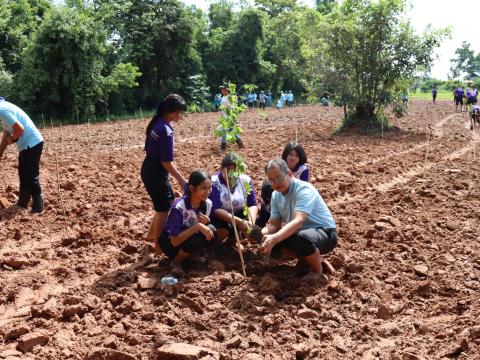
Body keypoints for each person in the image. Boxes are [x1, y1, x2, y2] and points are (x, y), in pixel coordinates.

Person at [258, 159, 337, 280]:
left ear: (289, 174)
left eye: (279, 178)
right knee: (275, 244)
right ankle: (310, 260)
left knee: (301, 239)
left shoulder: (304, 189)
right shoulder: (275, 195)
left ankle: (317, 270)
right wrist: (258, 233)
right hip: (299, 232)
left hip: (325, 233)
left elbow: (299, 220)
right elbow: (274, 224)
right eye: (271, 180)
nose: (276, 183)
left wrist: (274, 238)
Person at [141, 94, 187, 246]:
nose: (181, 116)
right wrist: (181, 180)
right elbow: (165, 161)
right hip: (156, 172)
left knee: (167, 202)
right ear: (172, 112)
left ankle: (150, 236)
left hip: (149, 168)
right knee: (164, 209)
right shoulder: (166, 130)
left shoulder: (157, 123)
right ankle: (158, 245)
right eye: (180, 112)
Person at [157, 170, 216, 276]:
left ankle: (190, 257)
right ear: (192, 189)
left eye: (210, 187)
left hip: (186, 238)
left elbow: (203, 228)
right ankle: (176, 261)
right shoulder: (179, 208)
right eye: (203, 188)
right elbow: (174, 241)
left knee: (211, 229)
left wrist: (205, 223)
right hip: (170, 244)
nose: (208, 191)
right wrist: (198, 226)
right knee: (198, 237)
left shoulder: (207, 204)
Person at [0, 97, 45, 213]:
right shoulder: (3, 108)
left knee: (31, 175)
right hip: (26, 144)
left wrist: (11, 140)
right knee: (23, 173)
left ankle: (38, 206)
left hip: (32, 143)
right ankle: (23, 202)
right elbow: (8, 131)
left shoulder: (2, 109)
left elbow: (19, 129)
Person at [210, 153, 258, 245]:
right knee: (222, 232)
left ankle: (235, 240)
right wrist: (238, 222)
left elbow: (252, 204)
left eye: (235, 172)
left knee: (252, 231)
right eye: (228, 171)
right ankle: (215, 247)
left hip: (240, 215)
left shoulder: (245, 180)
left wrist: (251, 223)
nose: (231, 175)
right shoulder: (214, 183)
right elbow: (215, 209)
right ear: (221, 169)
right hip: (222, 218)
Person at [219, 86, 244, 151]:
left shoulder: (229, 97)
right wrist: (222, 115)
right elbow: (222, 107)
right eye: (221, 90)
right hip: (224, 117)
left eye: (223, 89)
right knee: (232, 131)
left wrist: (232, 118)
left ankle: (223, 147)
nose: (221, 91)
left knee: (224, 131)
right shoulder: (223, 97)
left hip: (229, 117)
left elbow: (232, 108)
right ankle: (240, 144)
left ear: (227, 90)